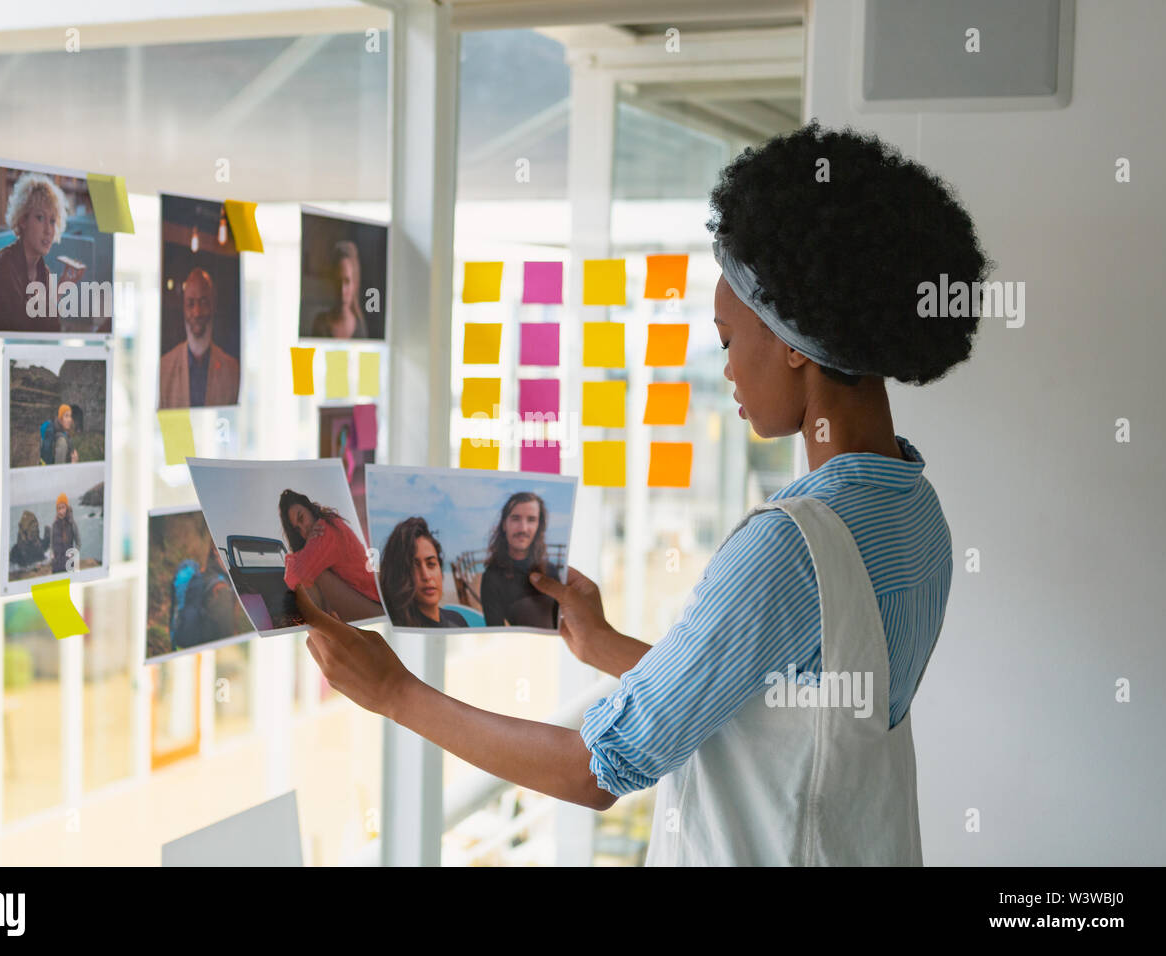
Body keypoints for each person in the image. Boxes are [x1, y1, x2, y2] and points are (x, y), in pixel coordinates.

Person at [295, 121, 988, 865]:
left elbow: (597, 769)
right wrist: (606, 646)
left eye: (727, 340)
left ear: (793, 341)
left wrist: (395, 693)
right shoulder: (915, 512)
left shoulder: (791, 546)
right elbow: (795, 707)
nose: (724, 372)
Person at [0, 172, 86, 334]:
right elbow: (20, 332)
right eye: (40, 217)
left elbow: (50, 332)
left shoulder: (43, 272)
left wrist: (61, 286)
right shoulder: (4, 265)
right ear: (23, 220)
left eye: (52, 221)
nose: (48, 230)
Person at [280, 489, 383, 623]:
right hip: (367, 598)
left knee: (316, 576)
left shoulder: (324, 530)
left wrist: (305, 548)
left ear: (309, 509)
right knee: (311, 574)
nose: (304, 530)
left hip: (373, 606)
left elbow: (294, 577)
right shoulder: (327, 524)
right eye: (297, 529)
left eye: (301, 518)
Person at [158, 267, 241, 408]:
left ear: (213, 306)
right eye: (191, 303)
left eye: (203, 302)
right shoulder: (164, 369)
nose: (197, 313)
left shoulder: (232, 371)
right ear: (183, 309)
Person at [479, 492, 560, 629]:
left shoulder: (550, 571)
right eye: (516, 519)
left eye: (531, 519)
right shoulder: (492, 578)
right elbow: (494, 634)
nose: (523, 528)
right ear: (504, 524)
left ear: (538, 527)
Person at [376, 517, 467, 629]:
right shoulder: (399, 630)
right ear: (400, 576)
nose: (426, 576)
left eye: (431, 564)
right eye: (414, 566)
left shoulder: (458, 621)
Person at [309, 240, 370, 339]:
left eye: (347, 281)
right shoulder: (320, 324)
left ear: (354, 283)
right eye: (338, 282)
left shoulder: (360, 329)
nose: (342, 291)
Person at [49, 492, 80, 573]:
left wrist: (72, 555)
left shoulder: (72, 523)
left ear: (67, 507)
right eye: (59, 508)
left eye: (63, 507)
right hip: (56, 566)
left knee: (70, 586)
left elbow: (78, 543)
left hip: (70, 565)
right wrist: (52, 556)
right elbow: (51, 545)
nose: (61, 511)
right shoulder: (54, 525)